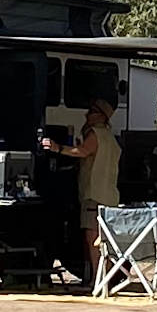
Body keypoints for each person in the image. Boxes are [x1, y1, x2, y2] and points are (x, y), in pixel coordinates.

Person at [42, 97, 122, 279]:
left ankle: (97, 278)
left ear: (101, 116)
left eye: (92, 111)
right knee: (106, 239)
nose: (87, 115)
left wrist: (58, 148)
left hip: (94, 194)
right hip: (110, 194)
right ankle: (106, 277)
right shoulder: (112, 138)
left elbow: (83, 151)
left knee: (93, 237)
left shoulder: (96, 133)